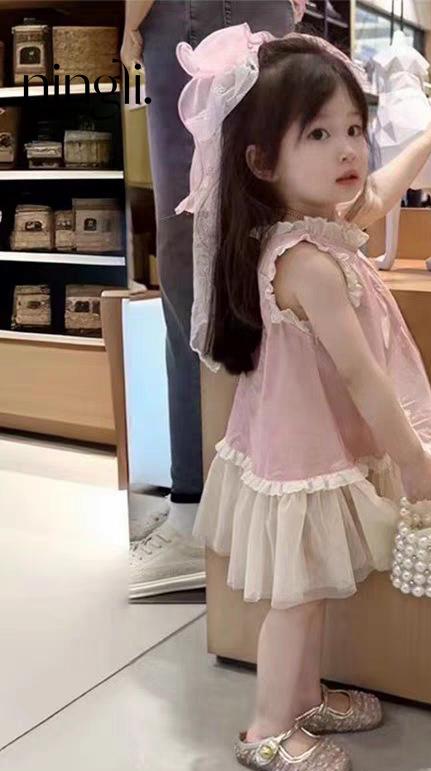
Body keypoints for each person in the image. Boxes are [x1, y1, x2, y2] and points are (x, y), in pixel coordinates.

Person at [173, 25, 431, 771]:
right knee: (298, 599)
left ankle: (304, 698)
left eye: (353, 128)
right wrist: (413, 461)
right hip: (303, 453)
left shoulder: (314, 230)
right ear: (260, 160)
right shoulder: (306, 262)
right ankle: (267, 729)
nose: (348, 148)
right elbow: (362, 374)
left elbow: (379, 192)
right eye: (318, 133)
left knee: (310, 591)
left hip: (313, 447)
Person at [120, 1, 303, 599]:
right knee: (273, 240)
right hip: (268, 14)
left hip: (188, 17)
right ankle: (278, 499)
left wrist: (131, 25)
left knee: (189, 259)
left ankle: (195, 514)